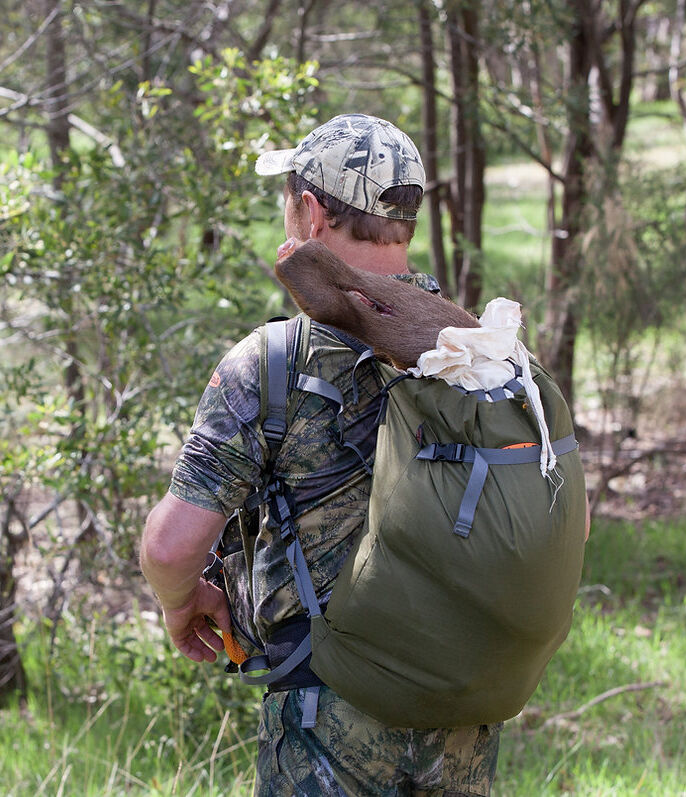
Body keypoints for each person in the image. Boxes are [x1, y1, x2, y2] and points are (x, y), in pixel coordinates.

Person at [140, 113, 502, 796]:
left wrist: (179, 602)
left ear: (309, 212)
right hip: (460, 713)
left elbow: (170, 547)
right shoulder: (480, 350)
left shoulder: (273, 362)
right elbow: (563, 521)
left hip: (325, 715)